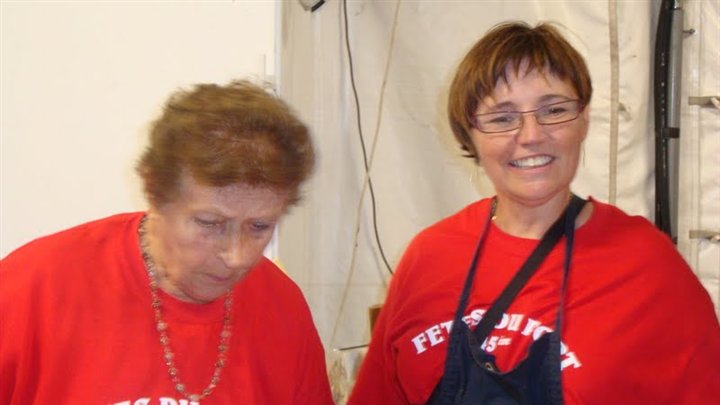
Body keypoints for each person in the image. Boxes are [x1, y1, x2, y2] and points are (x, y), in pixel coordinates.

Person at [348, 21, 720, 404]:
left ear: (584, 120)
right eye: (502, 118)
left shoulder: (647, 267)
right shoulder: (428, 258)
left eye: (554, 110)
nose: (530, 135)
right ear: (469, 135)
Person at [0, 80, 334, 405]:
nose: (236, 256)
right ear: (154, 191)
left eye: (259, 226)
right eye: (210, 223)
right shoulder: (31, 289)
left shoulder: (283, 311)